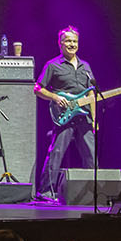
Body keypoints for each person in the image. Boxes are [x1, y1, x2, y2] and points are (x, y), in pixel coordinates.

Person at [34, 26, 96, 201]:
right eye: (68, 41)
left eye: (75, 41)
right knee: (56, 153)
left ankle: (93, 193)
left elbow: (91, 94)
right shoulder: (53, 65)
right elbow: (38, 88)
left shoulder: (86, 66)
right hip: (64, 117)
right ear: (60, 43)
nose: (72, 44)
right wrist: (54, 97)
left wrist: (94, 119)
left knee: (91, 156)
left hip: (84, 118)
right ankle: (45, 192)